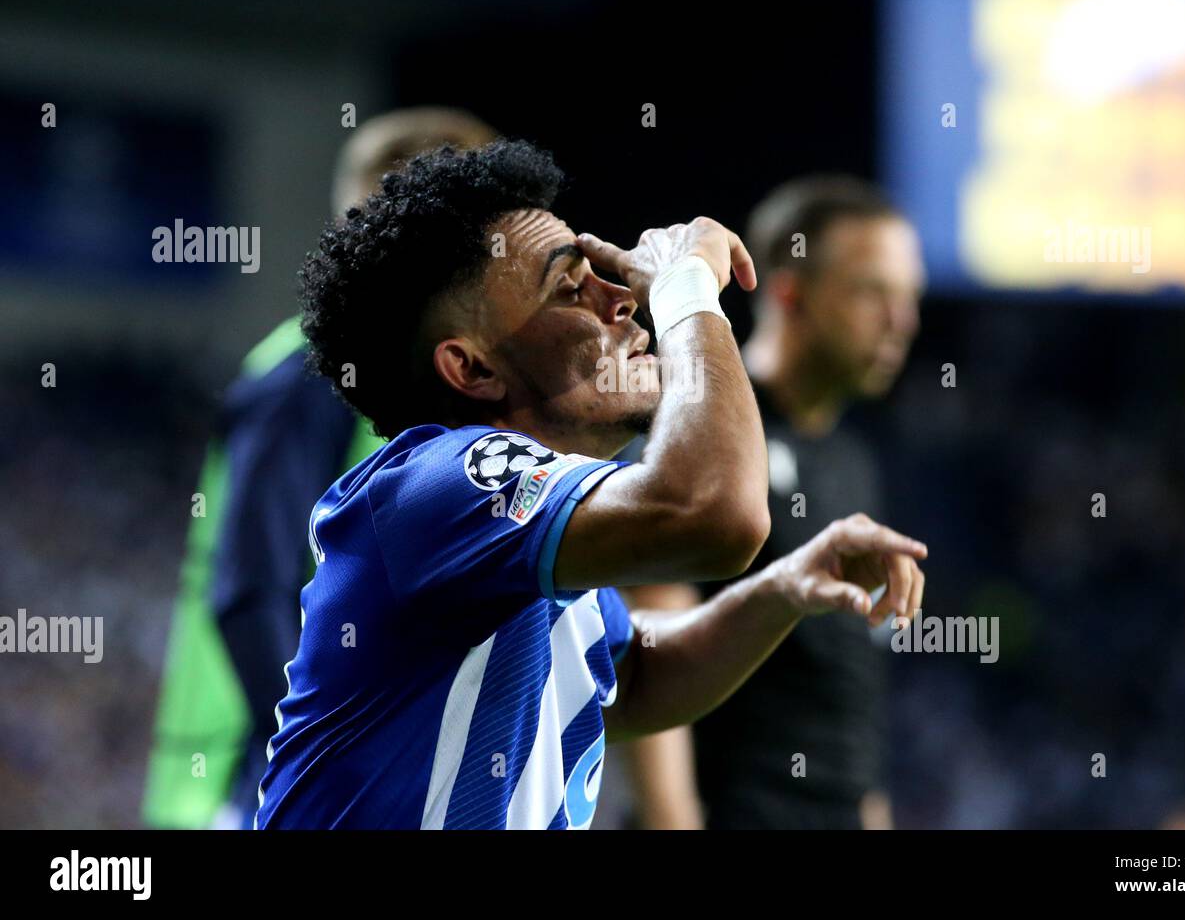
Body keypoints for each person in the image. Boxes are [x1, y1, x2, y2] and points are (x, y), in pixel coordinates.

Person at [255, 140, 927, 829]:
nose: (623, 300)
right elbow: (712, 513)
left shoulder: (529, 521)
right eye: (571, 288)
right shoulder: (442, 480)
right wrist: (687, 289)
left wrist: (781, 590)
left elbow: (634, 680)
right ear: (473, 369)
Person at [141, 107, 496, 830]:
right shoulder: (307, 372)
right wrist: (328, 757)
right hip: (264, 790)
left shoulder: (432, 378)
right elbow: (249, 591)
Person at [687, 174, 927, 829]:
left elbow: (849, 685)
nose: (901, 322)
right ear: (790, 291)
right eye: (872, 291)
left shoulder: (853, 463)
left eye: (909, 297)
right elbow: (643, 638)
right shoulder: (702, 425)